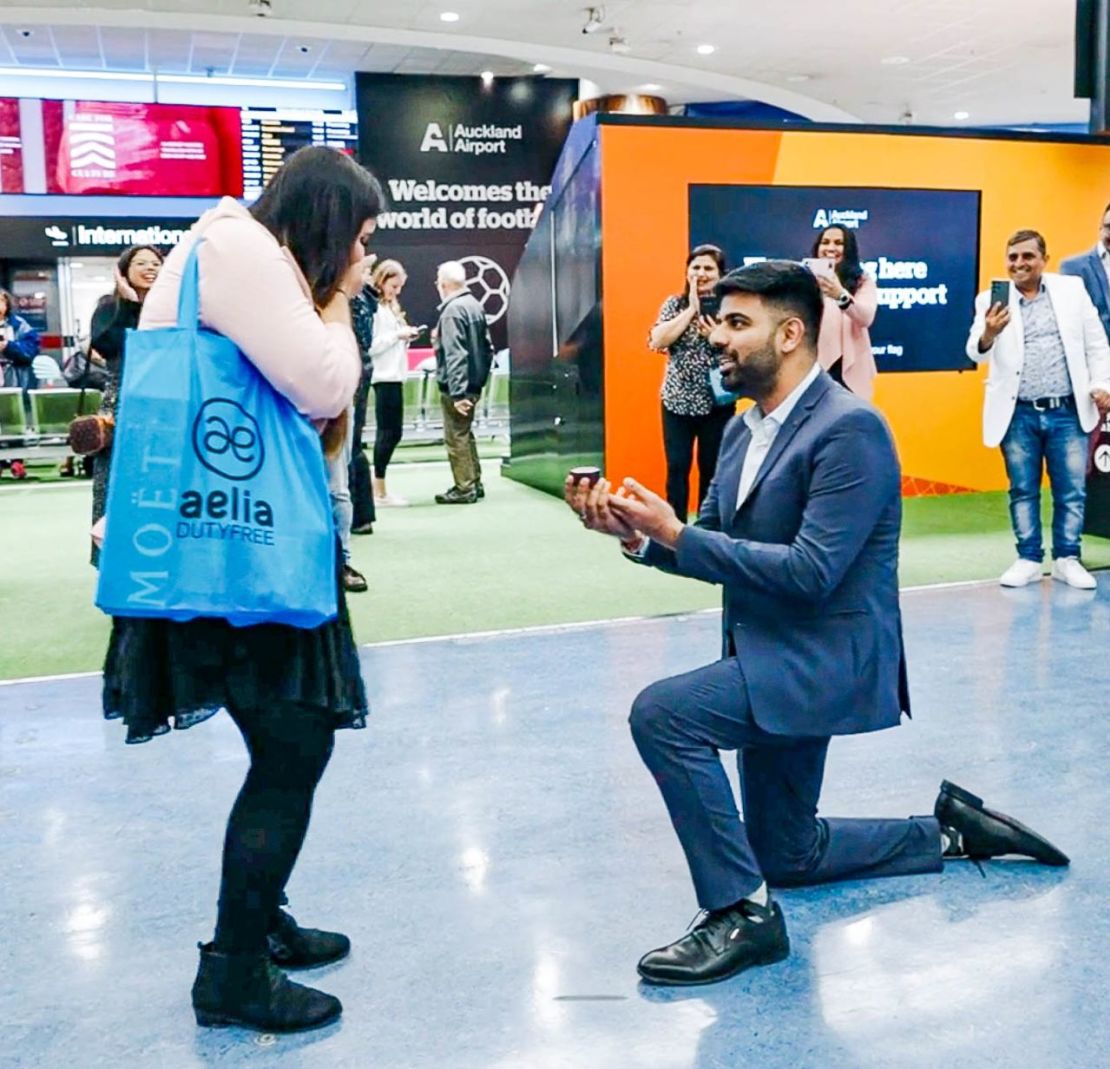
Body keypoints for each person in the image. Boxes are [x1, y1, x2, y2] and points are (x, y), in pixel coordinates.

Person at [566, 260, 1070, 988]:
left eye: (738, 324)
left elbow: (811, 572)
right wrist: (637, 534)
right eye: (720, 323)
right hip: (770, 651)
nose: (719, 340)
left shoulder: (852, 430)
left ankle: (742, 912)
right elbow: (713, 551)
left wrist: (676, 533)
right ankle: (951, 829)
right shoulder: (742, 434)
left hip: (824, 660)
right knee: (787, 852)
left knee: (664, 715)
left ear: (793, 333)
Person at [99, 146, 381, 1033]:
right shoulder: (240, 249)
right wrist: (336, 300)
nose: (366, 255)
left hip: (222, 549)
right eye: (361, 236)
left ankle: (261, 925)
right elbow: (326, 381)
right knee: (293, 749)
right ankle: (232, 971)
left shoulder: (224, 247)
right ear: (328, 221)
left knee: (285, 745)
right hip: (240, 563)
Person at [966, 229, 1110, 589]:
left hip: (1068, 411)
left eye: (1027, 256)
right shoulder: (990, 300)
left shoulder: (1071, 291)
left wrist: (1102, 385)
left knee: (1072, 490)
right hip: (1018, 414)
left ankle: (1067, 558)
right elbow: (975, 351)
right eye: (1012, 257)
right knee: (1023, 489)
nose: (1019, 264)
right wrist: (989, 333)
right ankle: (1029, 557)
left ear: (1044, 259)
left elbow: (1097, 345)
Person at [88, 245, 165, 565]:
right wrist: (131, 306)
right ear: (124, 270)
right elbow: (107, 345)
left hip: (163, 405)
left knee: (156, 484)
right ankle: (111, 566)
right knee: (114, 485)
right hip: (121, 404)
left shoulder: (171, 306)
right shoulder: (110, 306)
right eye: (140, 263)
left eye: (156, 263)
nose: (150, 268)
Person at [648, 245, 735, 519]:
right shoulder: (674, 304)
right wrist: (691, 310)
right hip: (676, 401)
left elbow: (742, 349)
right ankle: (674, 530)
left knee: (712, 469)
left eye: (708, 268)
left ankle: (707, 533)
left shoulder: (731, 308)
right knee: (677, 467)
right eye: (695, 267)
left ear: (721, 274)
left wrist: (717, 335)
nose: (701, 273)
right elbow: (657, 341)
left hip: (717, 404)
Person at [433, 260, 494, 505]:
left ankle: (464, 487)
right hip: (474, 384)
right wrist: (475, 385)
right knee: (465, 433)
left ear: (444, 284)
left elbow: (455, 354)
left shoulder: (451, 311)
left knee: (456, 437)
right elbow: (487, 349)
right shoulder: (474, 306)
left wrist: (458, 394)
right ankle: (473, 482)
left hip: (457, 387)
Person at [369, 259, 421, 507]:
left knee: (392, 433)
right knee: (388, 433)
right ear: (382, 280)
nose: (396, 291)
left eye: (400, 287)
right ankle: (378, 490)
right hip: (384, 378)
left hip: (396, 376)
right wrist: (397, 335)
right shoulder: (376, 310)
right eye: (393, 285)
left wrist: (405, 336)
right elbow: (372, 345)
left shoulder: (390, 308)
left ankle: (379, 487)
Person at [808, 224, 879, 399]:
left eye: (838, 243)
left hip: (847, 369)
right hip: (810, 366)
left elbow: (865, 317)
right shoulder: (804, 278)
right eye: (825, 242)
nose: (830, 248)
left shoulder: (862, 280)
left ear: (848, 249)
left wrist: (839, 294)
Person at [349, 263, 379, 535]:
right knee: (354, 445)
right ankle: (362, 515)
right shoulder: (368, 301)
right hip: (363, 367)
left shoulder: (354, 300)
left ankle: (357, 514)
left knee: (348, 445)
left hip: (353, 368)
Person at [1060, 202, 1110, 342]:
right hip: (1097, 357)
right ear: (1100, 228)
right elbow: (1069, 319)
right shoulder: (1073, 267)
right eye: (1109, 228)